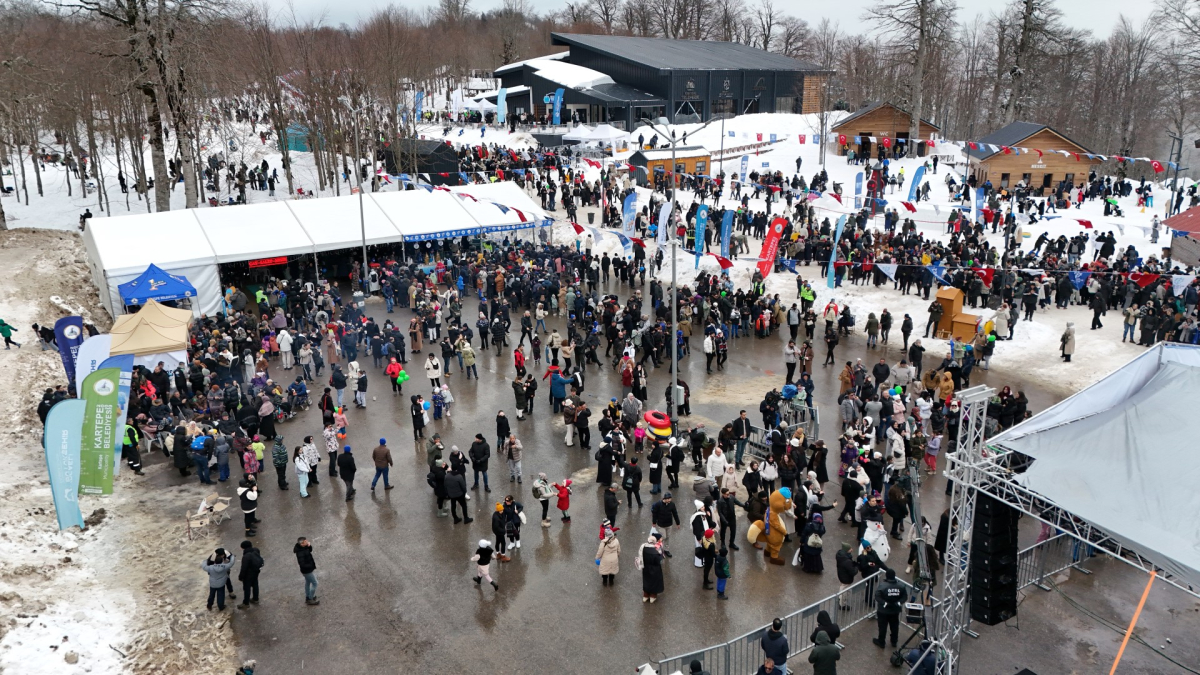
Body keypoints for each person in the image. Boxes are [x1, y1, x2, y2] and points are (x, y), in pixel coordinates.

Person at [873, 568, 908, 649]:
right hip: (895, 611)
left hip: (883, 611)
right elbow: (905, 596)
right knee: (894, 626)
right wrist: (899, 603)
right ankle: (894, 641)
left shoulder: (882, 586)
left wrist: (884, 603)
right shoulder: (901, 586)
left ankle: (881, 642)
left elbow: (877, 596)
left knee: (882, 627)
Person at [236, 540, 263, 609]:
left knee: (247, 588)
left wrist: (241, 577)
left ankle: (246, 603)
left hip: (248, 574)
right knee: (255, 584)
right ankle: (255, 598)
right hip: (256, 571)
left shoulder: (246, 556)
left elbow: (244, 568)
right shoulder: (256, 550)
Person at [294, 537, 319, 605]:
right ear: (302, 543)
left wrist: (309, 546)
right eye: (305, 541)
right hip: (307, 571)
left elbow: (310, 550)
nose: (307, 541)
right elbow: (302, 564)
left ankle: (308, 596)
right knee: (315, 583)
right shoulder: (300, 552)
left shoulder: (303, 548)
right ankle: (310, 598)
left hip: (307, 570)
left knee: (307, 582)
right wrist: (310, 565)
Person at [640, 535, 665, 603]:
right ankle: (652, 596)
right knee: (654, 582)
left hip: (646, 568)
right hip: (655, 569)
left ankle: (645, 595)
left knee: (646, 581)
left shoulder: (643, 548)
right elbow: (660, 561)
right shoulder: (655, 551)